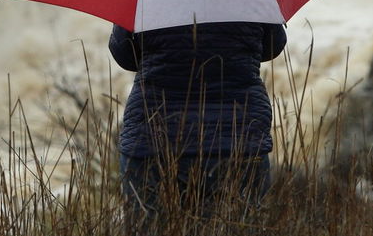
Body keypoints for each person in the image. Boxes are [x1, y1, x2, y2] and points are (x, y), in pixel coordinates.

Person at [109, 20, 287, 225]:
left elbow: (124, 54)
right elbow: (273, 45)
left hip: (154, 137)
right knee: (242, 234)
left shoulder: (145, 0)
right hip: (239, 136)